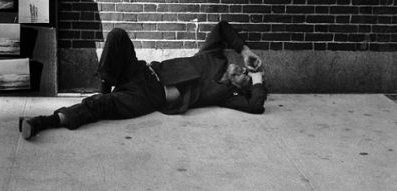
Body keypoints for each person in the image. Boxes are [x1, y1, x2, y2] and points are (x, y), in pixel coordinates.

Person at [19, 21, 267, 140]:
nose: (245, 72)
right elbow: (222, 27)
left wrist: (258, 80)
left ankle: (44, 121)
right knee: (117, 35)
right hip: (142, 72)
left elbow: (256, 105)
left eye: (246, 78)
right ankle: (103, 88)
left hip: (148, 97)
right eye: (246, 70)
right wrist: (246, 52)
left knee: (100, 107)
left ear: (238, 88)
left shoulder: (225, 94)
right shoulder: (213, 55)